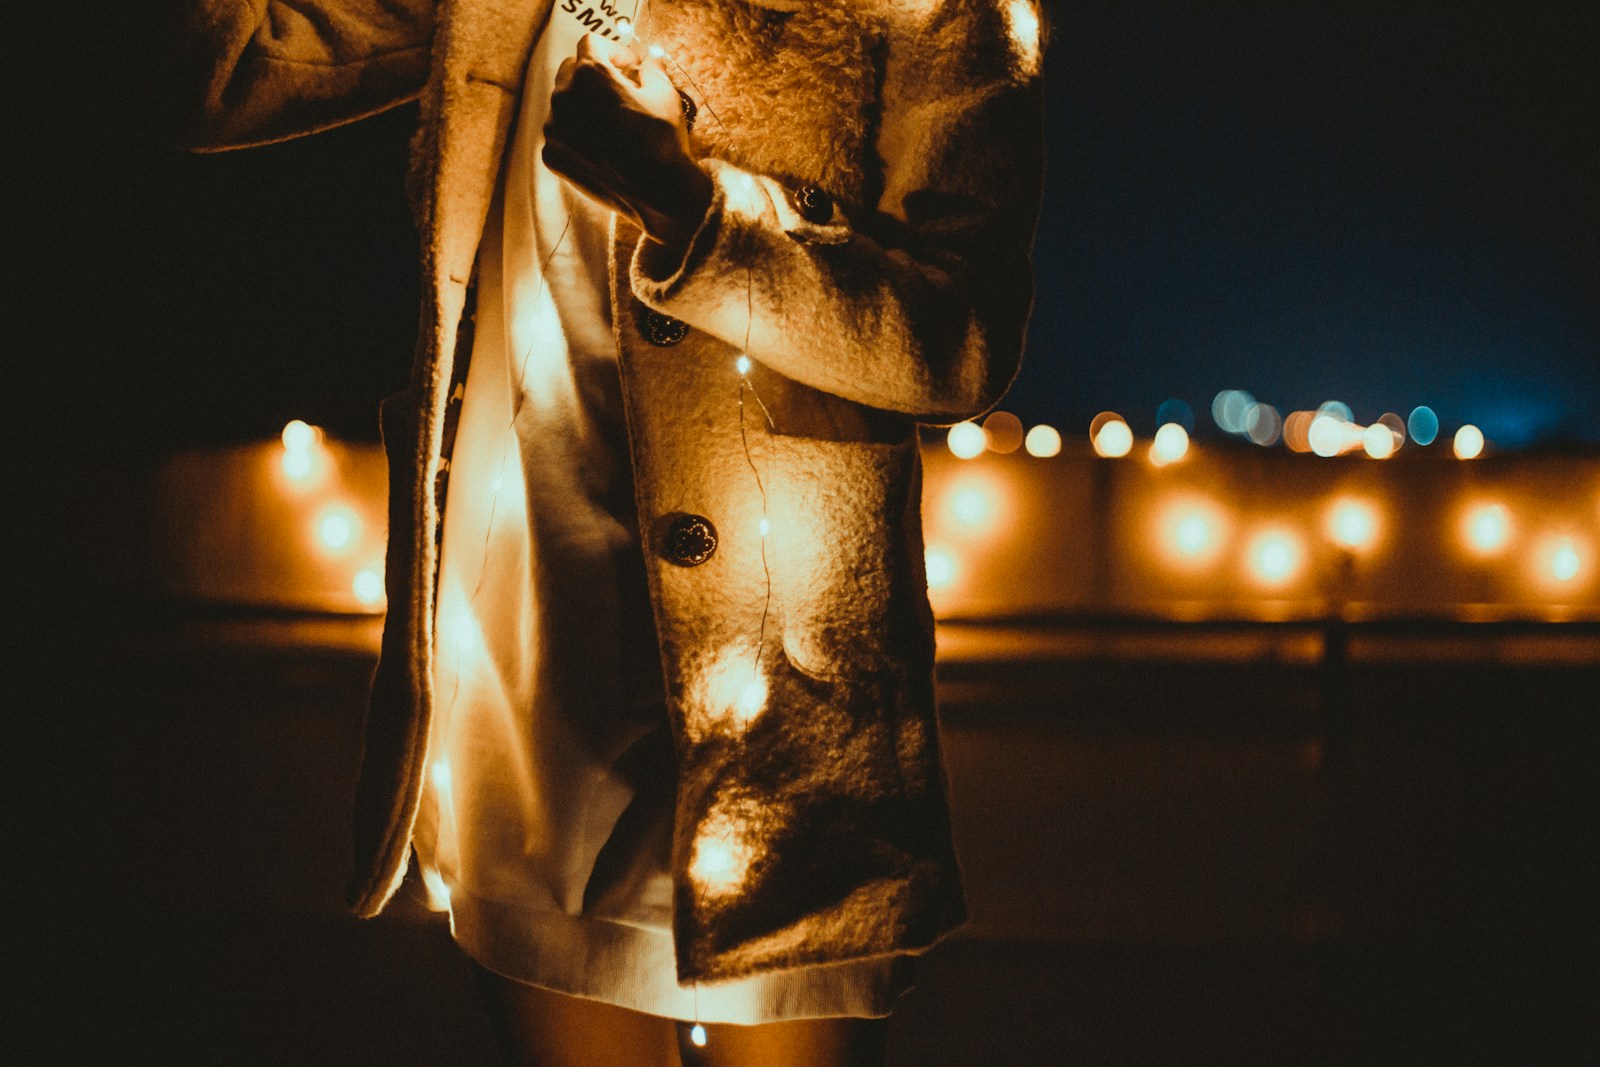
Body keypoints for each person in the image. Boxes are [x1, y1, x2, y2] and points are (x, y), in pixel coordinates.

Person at [165, 1, 1045, 1063]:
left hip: (775, 739)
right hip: (524, 686)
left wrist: (700, 215)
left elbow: (959, 334)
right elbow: (219, 74)